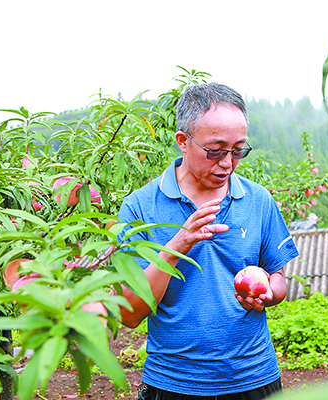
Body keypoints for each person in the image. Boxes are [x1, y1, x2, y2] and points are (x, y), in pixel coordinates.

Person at [117, 82, 299, 399]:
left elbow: (278, 277)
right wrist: (176, 246)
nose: (227, 162)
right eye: (215, 151)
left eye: (238, 149)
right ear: (183, 142)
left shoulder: (258, 201)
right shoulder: (140, 208)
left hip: (255, 379)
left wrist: (268, 293)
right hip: (172, 383)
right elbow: (130, 314)